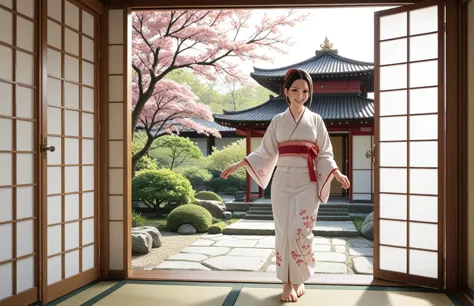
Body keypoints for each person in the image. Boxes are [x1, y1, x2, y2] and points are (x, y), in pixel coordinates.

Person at [220, 68, 350, 303]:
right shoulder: (278, 120)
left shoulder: (316, 120)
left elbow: (325, 153)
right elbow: (266, 152)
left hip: (308, 180)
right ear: (286, 91)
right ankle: (286, 283)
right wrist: (240, 163)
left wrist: (336, 172)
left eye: (305, 91)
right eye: (295, 90)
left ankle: (300, 277)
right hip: (282, 180)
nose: (301, 95)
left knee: (301, 230)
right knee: (283, 231)